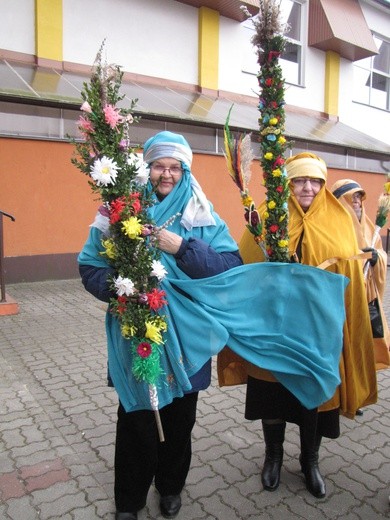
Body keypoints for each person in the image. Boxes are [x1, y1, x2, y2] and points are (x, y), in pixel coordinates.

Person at [77, 131, 243, 520]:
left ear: (185, 170)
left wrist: (182, 249)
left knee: (181, 418)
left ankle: (170, 487)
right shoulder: (119, 209)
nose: (165, 174)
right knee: (136, 418)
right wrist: (121, 291)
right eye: (158, 166)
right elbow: (89, 267)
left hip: (190, 338)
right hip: (136, 330)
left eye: (174, 166)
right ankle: (129, 501)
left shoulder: (202, 214)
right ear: (145, 168)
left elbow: (230, 268)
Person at [236, 152, 377, 499]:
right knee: (272, 395)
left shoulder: (339, 219)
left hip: (318, 333)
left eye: (315, 181)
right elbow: (246, 267)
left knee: (313, 399)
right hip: (274, 330)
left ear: (323, 184)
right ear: (288, 184)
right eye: (300, 180)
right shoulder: (269, 217)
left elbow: (349, 279)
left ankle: (310, 462)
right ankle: (273, 456)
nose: (308, 188)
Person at [331, 179, 390, 371]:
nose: (356, 201)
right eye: (350, 197)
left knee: (361, 341)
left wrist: (376, 258)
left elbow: (381, 252)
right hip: (342, 295)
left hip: (366, 295)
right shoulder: (331, 226)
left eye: (358, 197)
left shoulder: (369, 226)